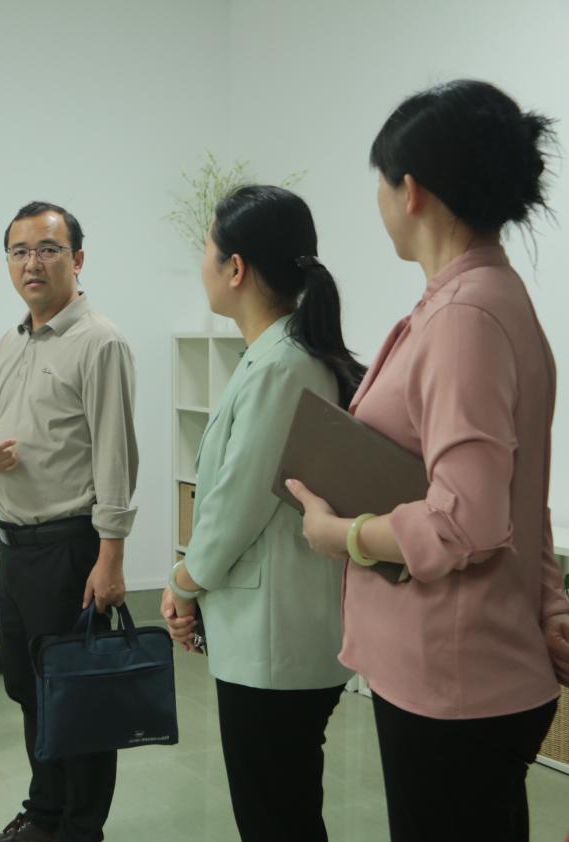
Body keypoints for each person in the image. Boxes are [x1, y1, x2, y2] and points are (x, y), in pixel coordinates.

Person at [286, 80, 569, 842]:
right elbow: (519, 494)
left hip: (453, 676)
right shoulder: (486, 298)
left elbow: (465, 519)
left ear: (409, 190)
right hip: (471, 665)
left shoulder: (464, 317)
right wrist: (550, 605)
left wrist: (342, 535)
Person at [161, 186, 365, 841]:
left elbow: (235, 504)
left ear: (236, 268)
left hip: (274, 643)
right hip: (270, 633)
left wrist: (182, 581)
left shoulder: (283, 366)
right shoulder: (278, 356)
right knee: (281, 811)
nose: (200, 264)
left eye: (206, 249)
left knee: (276, 819)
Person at [0, 201, 138, 842]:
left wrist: (111, 557)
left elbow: (116, 456)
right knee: (30, 690)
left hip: (70, 545)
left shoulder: (100, 342)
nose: (31, 263)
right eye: (19, 251)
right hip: (14, 544)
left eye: (47, 249)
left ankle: (79, 829)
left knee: (78, 696)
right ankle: (44, 815)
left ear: (78, 259)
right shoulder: (10, 341)